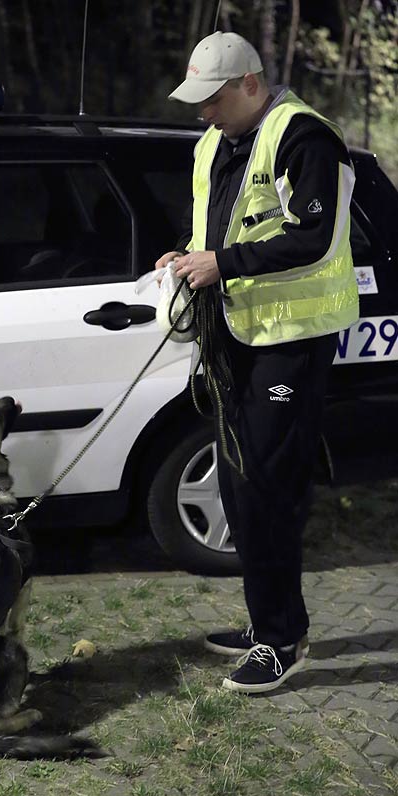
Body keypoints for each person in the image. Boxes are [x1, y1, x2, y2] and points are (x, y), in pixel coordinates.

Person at [156, 31, 359, 694]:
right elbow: (215, 227)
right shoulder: (215, 140)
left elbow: (315, 236)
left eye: (211, 99)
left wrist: (224, 263)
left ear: (249, 83)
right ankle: (267, 620)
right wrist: (183, 256)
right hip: (233, 339)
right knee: (239, 489)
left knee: (270, 490)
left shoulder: (305, 137)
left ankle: (280, 641)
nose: (202, 113)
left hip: (290, 344)